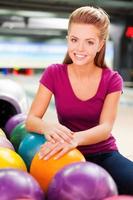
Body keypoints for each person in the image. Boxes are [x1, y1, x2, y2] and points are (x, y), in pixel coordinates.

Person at [26, 6, 133, 195]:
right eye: (75, 40)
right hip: (65, 155)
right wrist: (47, 127)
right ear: (68, 40)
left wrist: (75, 139)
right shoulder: (54, 73)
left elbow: (105, 127)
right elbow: (31, 120)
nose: (80, 48)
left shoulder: (112, 79)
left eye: (89, 42)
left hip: (103, 153)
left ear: (100, 45)